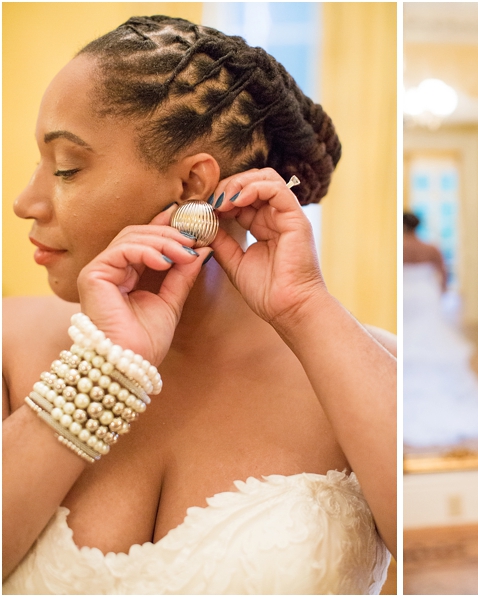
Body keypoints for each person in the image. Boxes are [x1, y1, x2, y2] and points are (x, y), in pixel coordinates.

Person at [2, 16, 395, 594]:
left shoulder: (369, 367)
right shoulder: (9, 343)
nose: (26, 201)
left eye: (66, 168)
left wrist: (305, 306)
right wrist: (102, 370)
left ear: (191, 185)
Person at [403, 212, 478, 447]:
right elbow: (443, 273)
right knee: (428, 333)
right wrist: (440, 293)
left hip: (405, 294)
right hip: (424, 293)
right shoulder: (430, 248)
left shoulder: (400, 246)